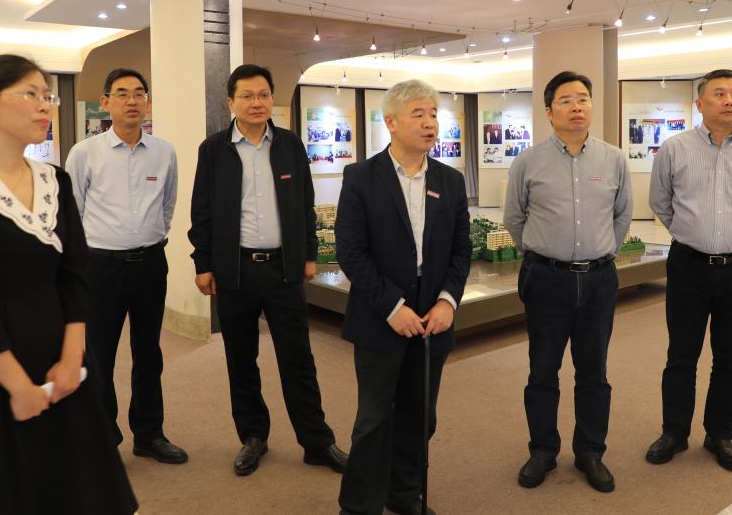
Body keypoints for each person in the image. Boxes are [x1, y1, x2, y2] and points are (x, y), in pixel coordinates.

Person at [0, 55, 137, 514]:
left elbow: (75, 273)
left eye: (47, 95)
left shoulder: (55, 180)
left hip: (60, 353)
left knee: (77, 487)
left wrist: (73, 358)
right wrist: (19, 386)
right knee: (5, 490)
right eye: (31, 94)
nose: (45, 106)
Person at [188, 64, 347, 477]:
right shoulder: (213, 150)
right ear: (231, 102)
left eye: (263, 95)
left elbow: (306, 203)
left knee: (298, 360)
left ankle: (317, 441)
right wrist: (203, 263)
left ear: (271, 98)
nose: (256, 103)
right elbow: (201, 212)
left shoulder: (290, 145)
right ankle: (253, 437)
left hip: (283, 271)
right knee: (241, 359)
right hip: (235, 271)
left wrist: (309, 254)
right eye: (247, 96)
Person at [336, 79, 472, 515]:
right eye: (418, 114)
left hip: (433, 319)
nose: (430, 123)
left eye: (433, 114)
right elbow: (351, 252)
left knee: (420, 417)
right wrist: (392, 307)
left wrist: (447, 301)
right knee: (374, 419)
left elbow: (461, 249)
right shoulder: (361, 177)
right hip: (380, 318)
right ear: (391, 122)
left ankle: (403, 493)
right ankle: (359, 505)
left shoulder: (450, 181)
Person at [504, 71, 632, 494]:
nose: (576, 107)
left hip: (598, 280)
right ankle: (542, 450)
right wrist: (543, 255)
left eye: (583, 99)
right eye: (565, 100)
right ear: (549, 111)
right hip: (546, 279)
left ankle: (590, 451)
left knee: (594, 372)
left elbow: (622, 215)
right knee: (542, 370)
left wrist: (600, 252)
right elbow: (515, 218)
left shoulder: (614, 159)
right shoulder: (528, 161)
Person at [646, 69, 732, 473]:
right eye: (719, 93)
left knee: (730, 357)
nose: (729, 100)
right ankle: (674, 432)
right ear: (700, 103)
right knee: (681, 355)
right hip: (688, 266)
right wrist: (691, 234)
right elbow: (660, 202)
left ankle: (720, 434)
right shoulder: (675, 148)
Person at [64, 68, 187, 464]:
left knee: (149, 352)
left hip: (150, 264)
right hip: (101, 267)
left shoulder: (164, 151)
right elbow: (72, 213)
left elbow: (168, 204)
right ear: (106, 102)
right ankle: (104, 438)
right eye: (121, 93)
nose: (131, 101)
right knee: (100, 354)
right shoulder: (85, 153)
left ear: (147, 101)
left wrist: (151, 235)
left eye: (138, 93)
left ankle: (149, 434)